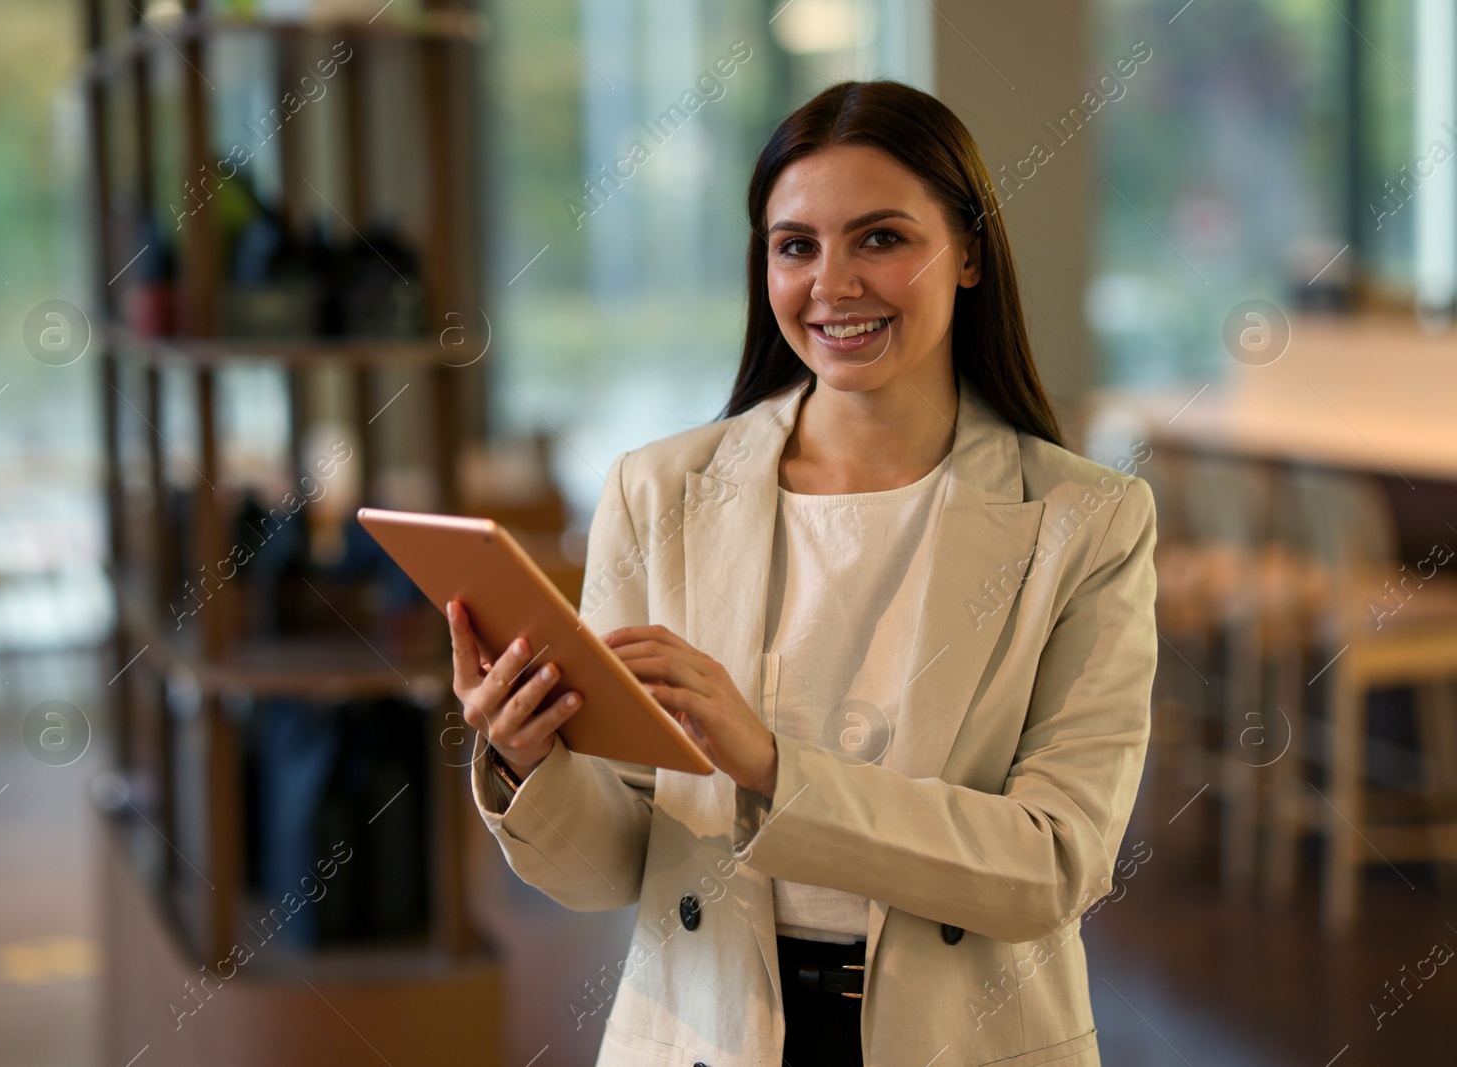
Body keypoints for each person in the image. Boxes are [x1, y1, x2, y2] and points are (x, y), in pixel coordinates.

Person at [448, 79, 1157, 1067]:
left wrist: (771, 767)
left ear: (968, 255)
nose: (833, 282)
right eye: (796, 245)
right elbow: (614, 865)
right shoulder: (658, 491)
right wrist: (533, 763)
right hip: (703, 1036)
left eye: (881, 238)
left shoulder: (1088, 520)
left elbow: (1052, 863)